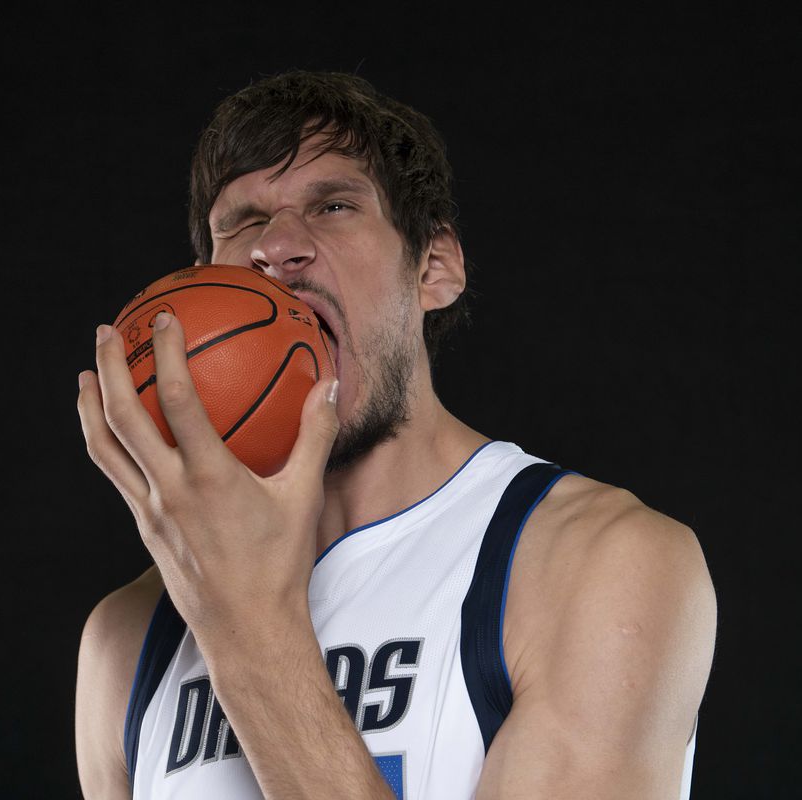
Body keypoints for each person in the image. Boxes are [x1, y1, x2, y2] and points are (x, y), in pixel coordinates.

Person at [74, 70, 716, 800]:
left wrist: (246, 627)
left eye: (335, 205)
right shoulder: (128, 641)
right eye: (244, 223)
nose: (278, 246)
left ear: (434, 269)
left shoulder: (592, 562)